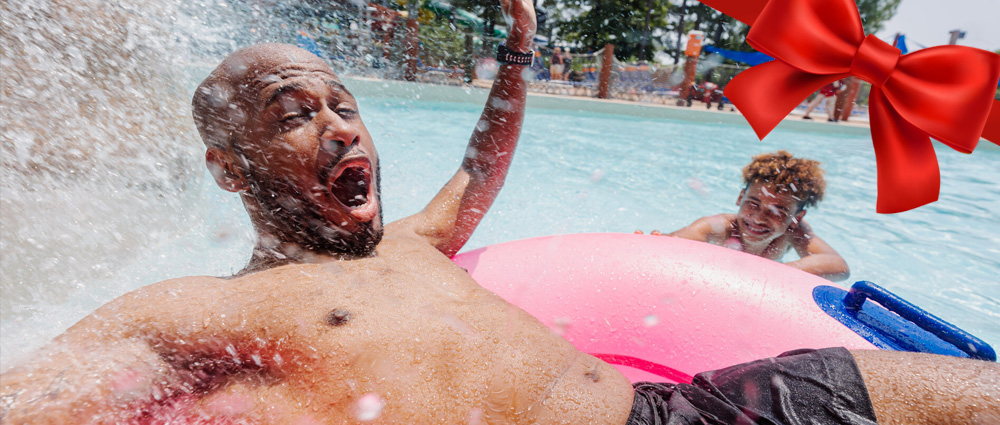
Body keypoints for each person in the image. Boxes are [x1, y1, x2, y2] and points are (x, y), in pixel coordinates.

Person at [3, 3, 999, 423]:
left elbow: (479, 170)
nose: (341, 126)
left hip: (682, 410)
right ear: (228, 170)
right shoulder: (195, 309)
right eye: (295, 114)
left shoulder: (410, 242)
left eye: (344, 103)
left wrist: (517, 56)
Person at [650, 151, 851, 281]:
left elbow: (839, 266)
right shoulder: (720, 227)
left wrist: (768, 273)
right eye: (753, 204)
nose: (758, 218)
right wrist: (655, 242)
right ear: (740, 198)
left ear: (796, 218)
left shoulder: (794, 232)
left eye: (777, 211)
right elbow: (670, 245)